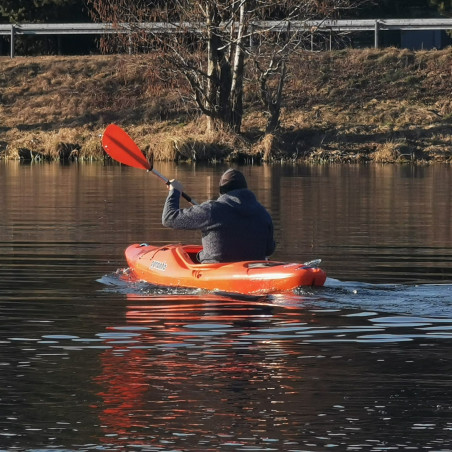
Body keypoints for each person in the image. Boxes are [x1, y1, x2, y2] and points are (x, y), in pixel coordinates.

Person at [162, 169, 275, 263]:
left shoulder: (211, 210)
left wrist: (175, 192)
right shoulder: (263, 214)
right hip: (253, 271)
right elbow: (269, 250)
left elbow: (169, 218)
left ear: (222, 191)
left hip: (215, 272)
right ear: (245, 189)